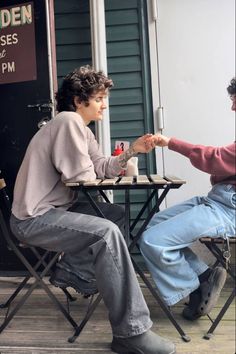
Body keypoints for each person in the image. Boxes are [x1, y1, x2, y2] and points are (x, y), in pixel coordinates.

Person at [10, 66, 175, 354]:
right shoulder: (67, 121)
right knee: (106, 234)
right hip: (33, 218)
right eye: (99, 98)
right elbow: (81, 177)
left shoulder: (82, 130)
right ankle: (130, 333)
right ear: (78, 101)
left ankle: (78, 273)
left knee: (115, 215)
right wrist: (91, 168)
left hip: (55, 209)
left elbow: (102, 167)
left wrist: (132, 151)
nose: (104, 104)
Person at [139, 77, 236, 320]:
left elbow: (214, 159)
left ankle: (196, 290)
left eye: (235, 101)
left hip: (229, 210)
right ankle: (204, 278)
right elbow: (223, 163)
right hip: (217, 200)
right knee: (153, 225)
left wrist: (170, 142)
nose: (232, 107)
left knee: (153, 241)